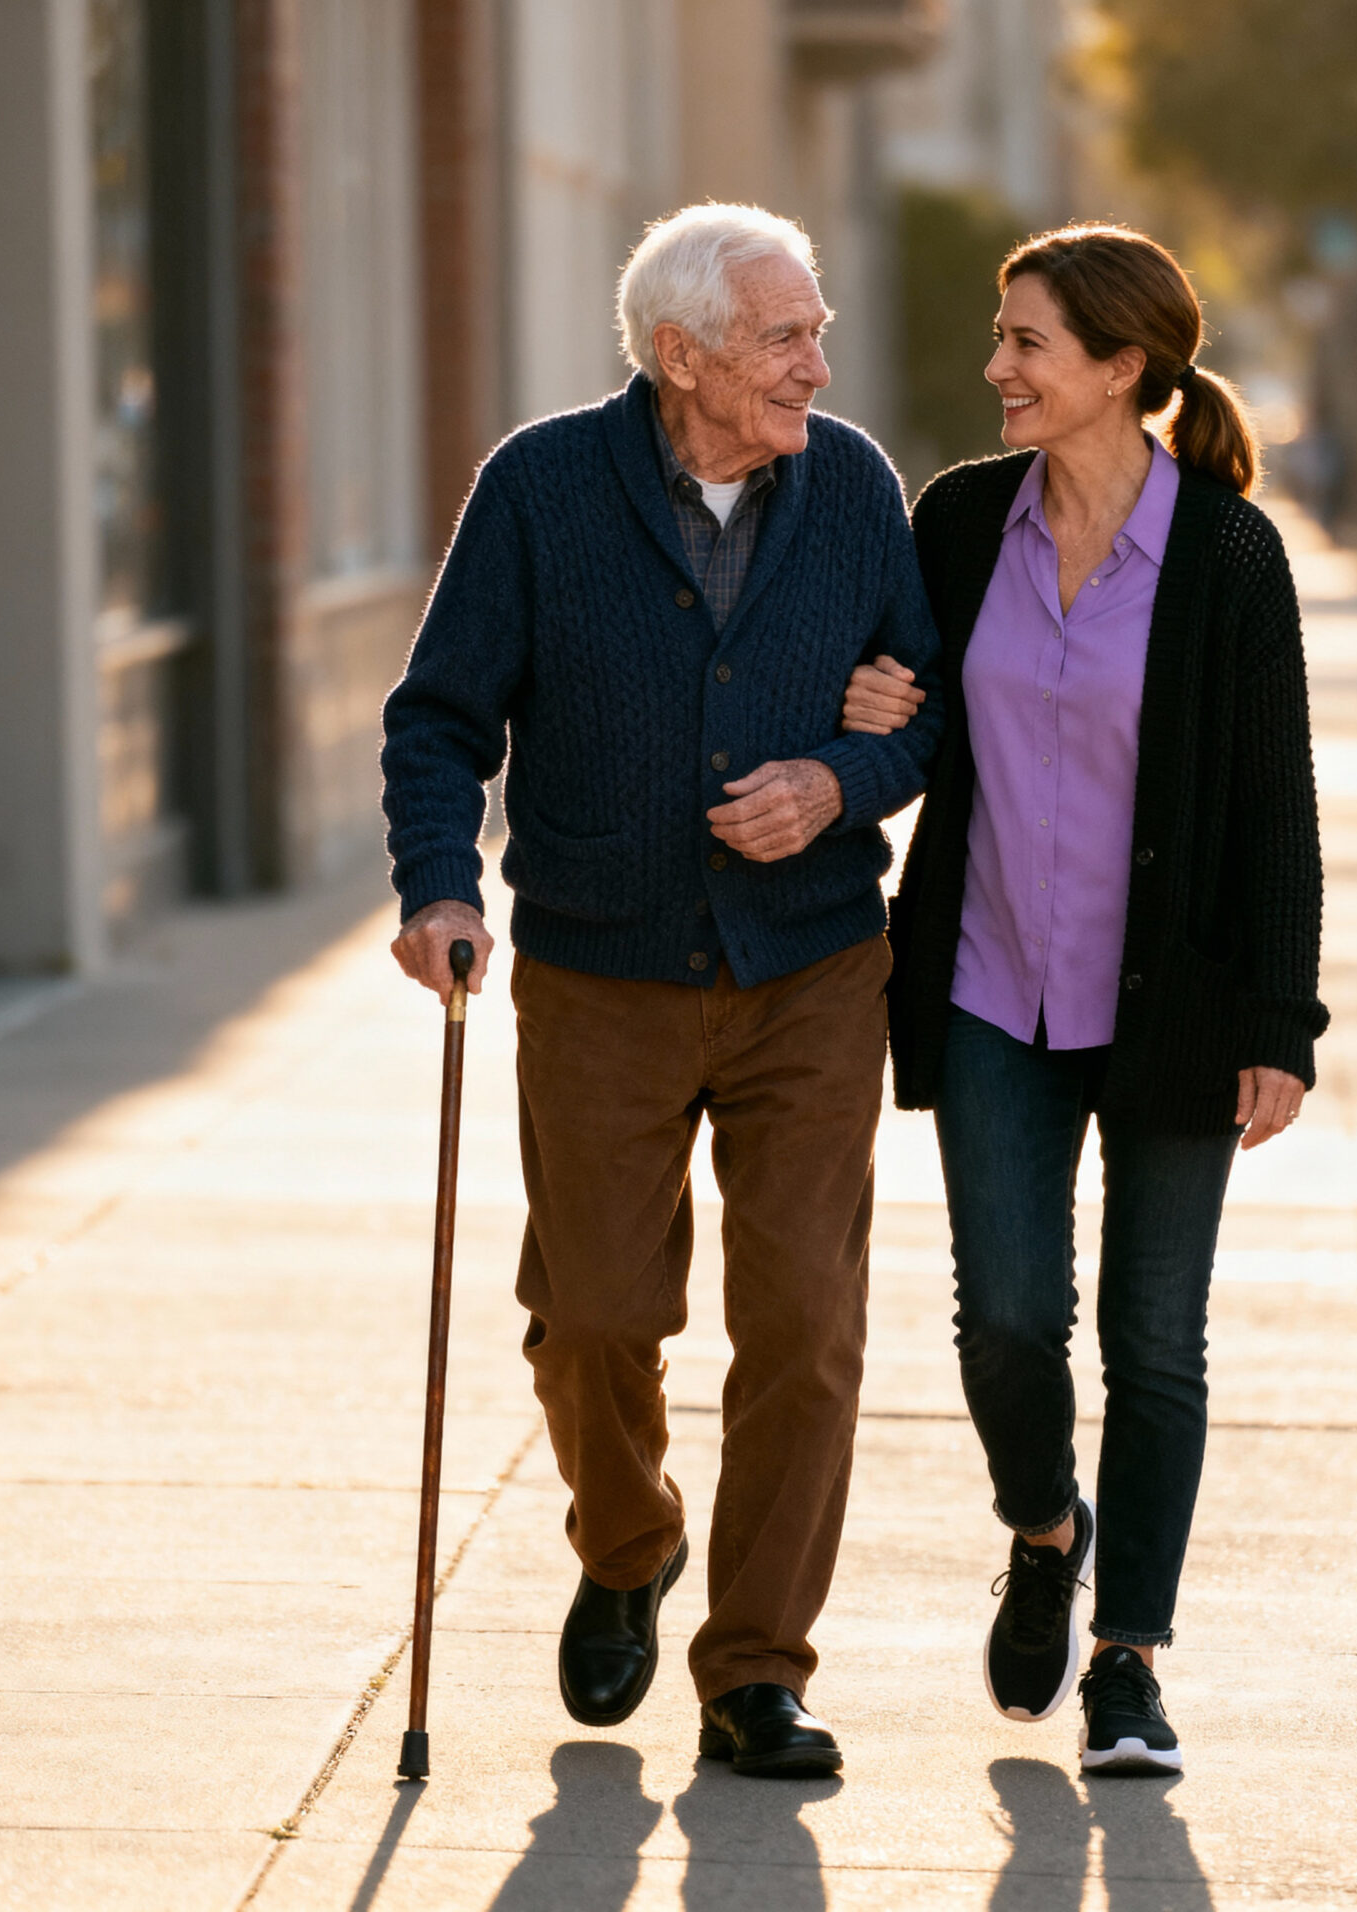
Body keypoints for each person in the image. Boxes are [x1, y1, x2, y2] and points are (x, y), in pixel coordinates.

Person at [382, 203, 943, 1778]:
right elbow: (437, 720)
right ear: (681, 354)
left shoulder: (850, 489)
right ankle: (628, 1547)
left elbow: (923, 711)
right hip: (599, 969)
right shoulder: (542, 488)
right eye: (785, 339)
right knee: (590, 1317)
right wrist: (439, 885)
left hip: (813, 964)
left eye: (817, 331)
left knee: (805, 1327)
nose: (818, 366)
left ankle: (756, 1667)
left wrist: (839, 784)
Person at [839, 224, 1326, 1776]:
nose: (997, 368)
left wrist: (1283, 1025)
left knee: (1156, 1343)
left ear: (1121, 369)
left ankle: (1130, 1663)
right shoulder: (960, 521)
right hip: (988, 986)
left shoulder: (1231, 557)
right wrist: (864, 704)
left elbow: (1277, 811)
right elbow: (893, 699)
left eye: (1027, 343)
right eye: (999, 337)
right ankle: (1046, 1528)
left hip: (1174, 1005)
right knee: (1005, 1319)